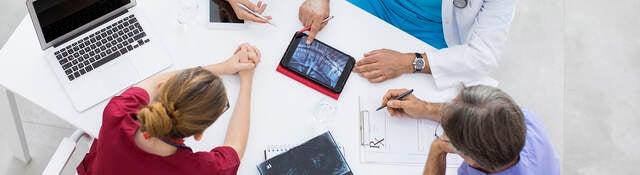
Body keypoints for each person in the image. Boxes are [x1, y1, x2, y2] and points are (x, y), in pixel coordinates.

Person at [76, 43, 262, 174]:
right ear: (199, 135)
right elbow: (235, 148)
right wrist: (247, 80)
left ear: (162, 88)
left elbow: (156, 81)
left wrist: (222, 67)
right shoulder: (198, 170)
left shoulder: (117, 112)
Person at [381, 85, 560, 175]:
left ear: (470, 159)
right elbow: (480, 112)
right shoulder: (523, 117)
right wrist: (426, 108)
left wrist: (438, 148)